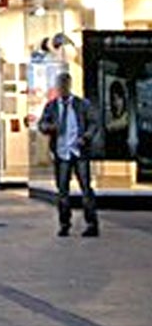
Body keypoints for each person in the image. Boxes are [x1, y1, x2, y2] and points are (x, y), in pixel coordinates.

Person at [37, 71, 102, 237]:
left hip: (78, 151)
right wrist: (49, 127)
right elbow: (42, 124)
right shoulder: (51, 107)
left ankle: (92, 223)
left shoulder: (81, 105)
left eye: (64, 86)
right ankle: (64, 223)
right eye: (60, 86)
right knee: (62, 191)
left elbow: (94, 123)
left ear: (69, 86)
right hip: (61, 152)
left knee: (86, 189)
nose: (62, 89)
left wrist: (86, 137)